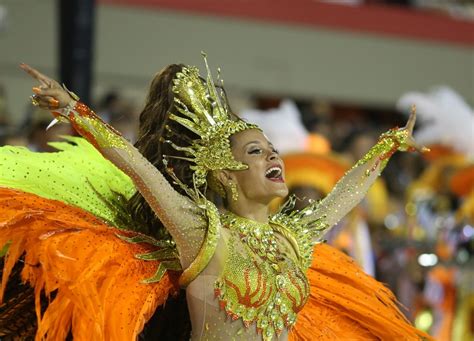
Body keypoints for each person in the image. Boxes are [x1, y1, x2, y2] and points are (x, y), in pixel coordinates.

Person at [0, 58, 431, 340]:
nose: (273, 155)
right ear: (225, 173)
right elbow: (136, 165)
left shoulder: (292, 239)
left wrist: (389, 146)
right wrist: (76, 111)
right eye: (256, 151)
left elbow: (345, 195)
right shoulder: (204, 232)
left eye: (271, 148)